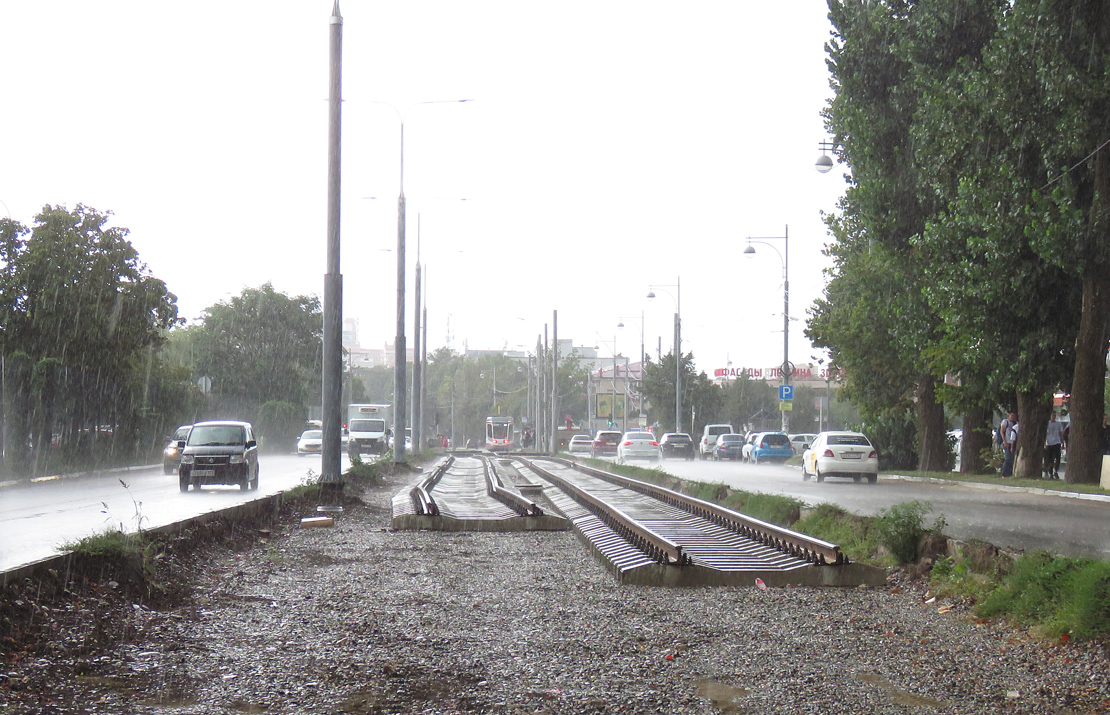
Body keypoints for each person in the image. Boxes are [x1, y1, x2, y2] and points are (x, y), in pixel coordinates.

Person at [1043, 412, 1064, 479]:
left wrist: (1062, 441)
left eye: (1055, 415)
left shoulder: (1058, 424)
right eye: (1052, 415)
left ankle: (1056, 471)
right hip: (1049, 443)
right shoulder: (1048, 424)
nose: (1053, 417)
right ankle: (1050, 472)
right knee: (1050, 459)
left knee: (1057, 458)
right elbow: (1045, 434)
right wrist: (1045, 443)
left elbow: (1060, 433)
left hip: (1057, 442)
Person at [1000, 411, 1016, 478]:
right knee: (1007, 458)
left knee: (1011, 458)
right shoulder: (1005, 422)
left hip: (1011, 442)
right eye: (1011, 415)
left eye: (1014, 416)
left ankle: (1009, 473)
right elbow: (1002, 432)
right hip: (1007, 442)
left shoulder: (1014, 423)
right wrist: (1005, 441)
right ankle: (1004, 473)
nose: (1012, 417)